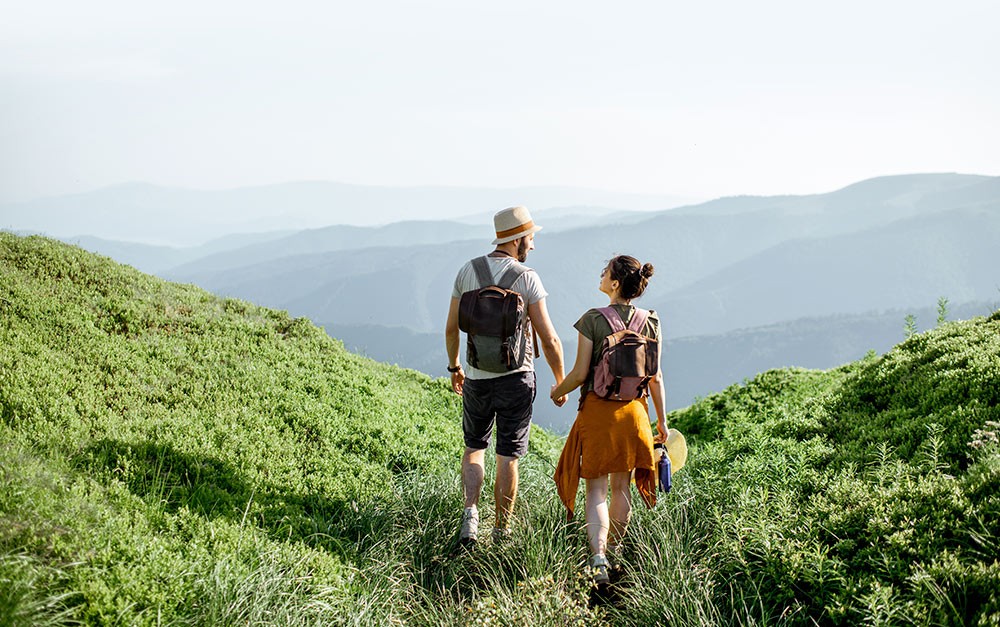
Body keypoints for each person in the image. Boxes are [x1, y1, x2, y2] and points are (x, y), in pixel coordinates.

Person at [445, 206, 566, 546]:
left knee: (474, 448)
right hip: (516, 377)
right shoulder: (527, 278)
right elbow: (549, 337)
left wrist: (455, 367)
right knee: (508, 455)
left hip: (477, 377)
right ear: (517, 240)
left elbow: (451, 328)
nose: (533, 245)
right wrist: (560, 380)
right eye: (530, 238)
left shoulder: (467, 271)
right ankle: (501, 530)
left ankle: (470, 517)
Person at [550, 255, 667, 583]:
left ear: (615, 284)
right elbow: (655, 377)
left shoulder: (592, 320)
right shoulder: (651, 321)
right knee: (622, 487)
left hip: (600, 413)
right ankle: (615, 551)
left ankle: (598, 557)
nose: (600, 275)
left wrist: (556, 391)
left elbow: (580, 373)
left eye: (605, 272)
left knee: (597, 490)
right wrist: (662, 421)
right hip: (635, 412)